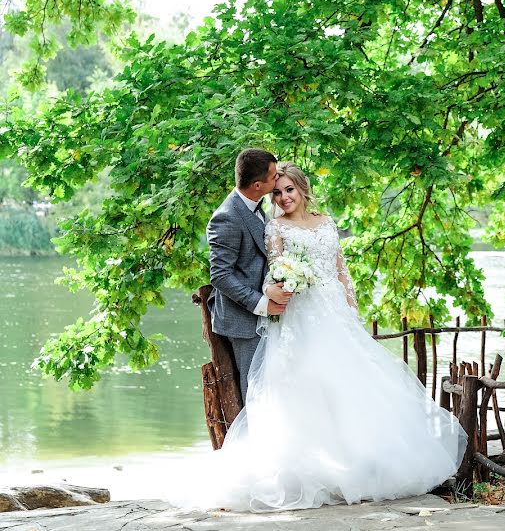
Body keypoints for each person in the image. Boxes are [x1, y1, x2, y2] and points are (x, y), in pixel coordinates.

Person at [178, 162, 466, 512]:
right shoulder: (274, 228)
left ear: (302, 189)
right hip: (299, 315)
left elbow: (341, 271)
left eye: (289, 190)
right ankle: (310, 470)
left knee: (350, 385)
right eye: (278, 190)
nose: (283, 197)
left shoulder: (327, 223)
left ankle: (360, 463)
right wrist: (278, 289)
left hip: (334, 313)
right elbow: (270, 273)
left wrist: (351, 311)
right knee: (304, 387)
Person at [206, 148, 291, 402]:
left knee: (272, 386)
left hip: (266, 314)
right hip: (243, 320)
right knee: (255, 391)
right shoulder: (226, 217)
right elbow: (220, 276)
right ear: (257, 185)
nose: (278, 180)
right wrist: (263, 303)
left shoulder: (256, 205)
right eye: (274, 176)